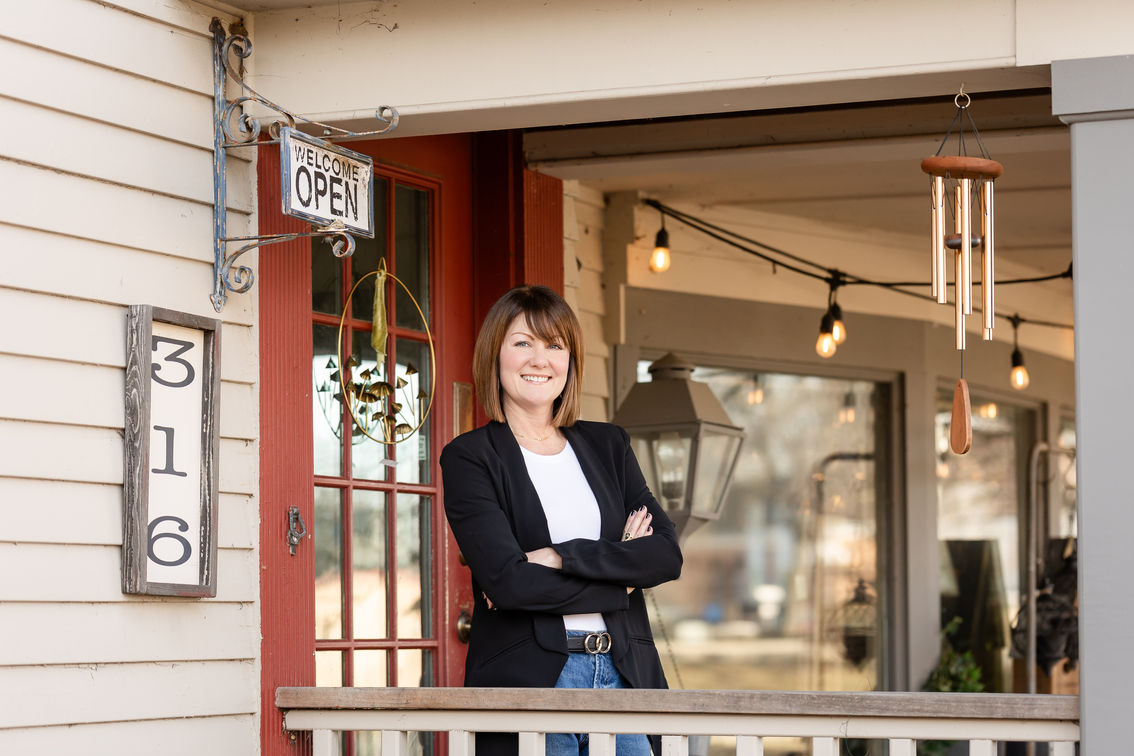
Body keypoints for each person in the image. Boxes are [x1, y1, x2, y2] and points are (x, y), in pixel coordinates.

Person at [440, 284, 683, 756]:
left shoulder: (609, 446)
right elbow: (510, 586)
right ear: (495, 354)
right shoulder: (470, 458)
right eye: (522, 343)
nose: (540, 360)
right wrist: (620, 581)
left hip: (624, 678)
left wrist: (557, 557)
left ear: (570, 360)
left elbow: (664, 556)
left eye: (554, 345)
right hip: (530, 684)